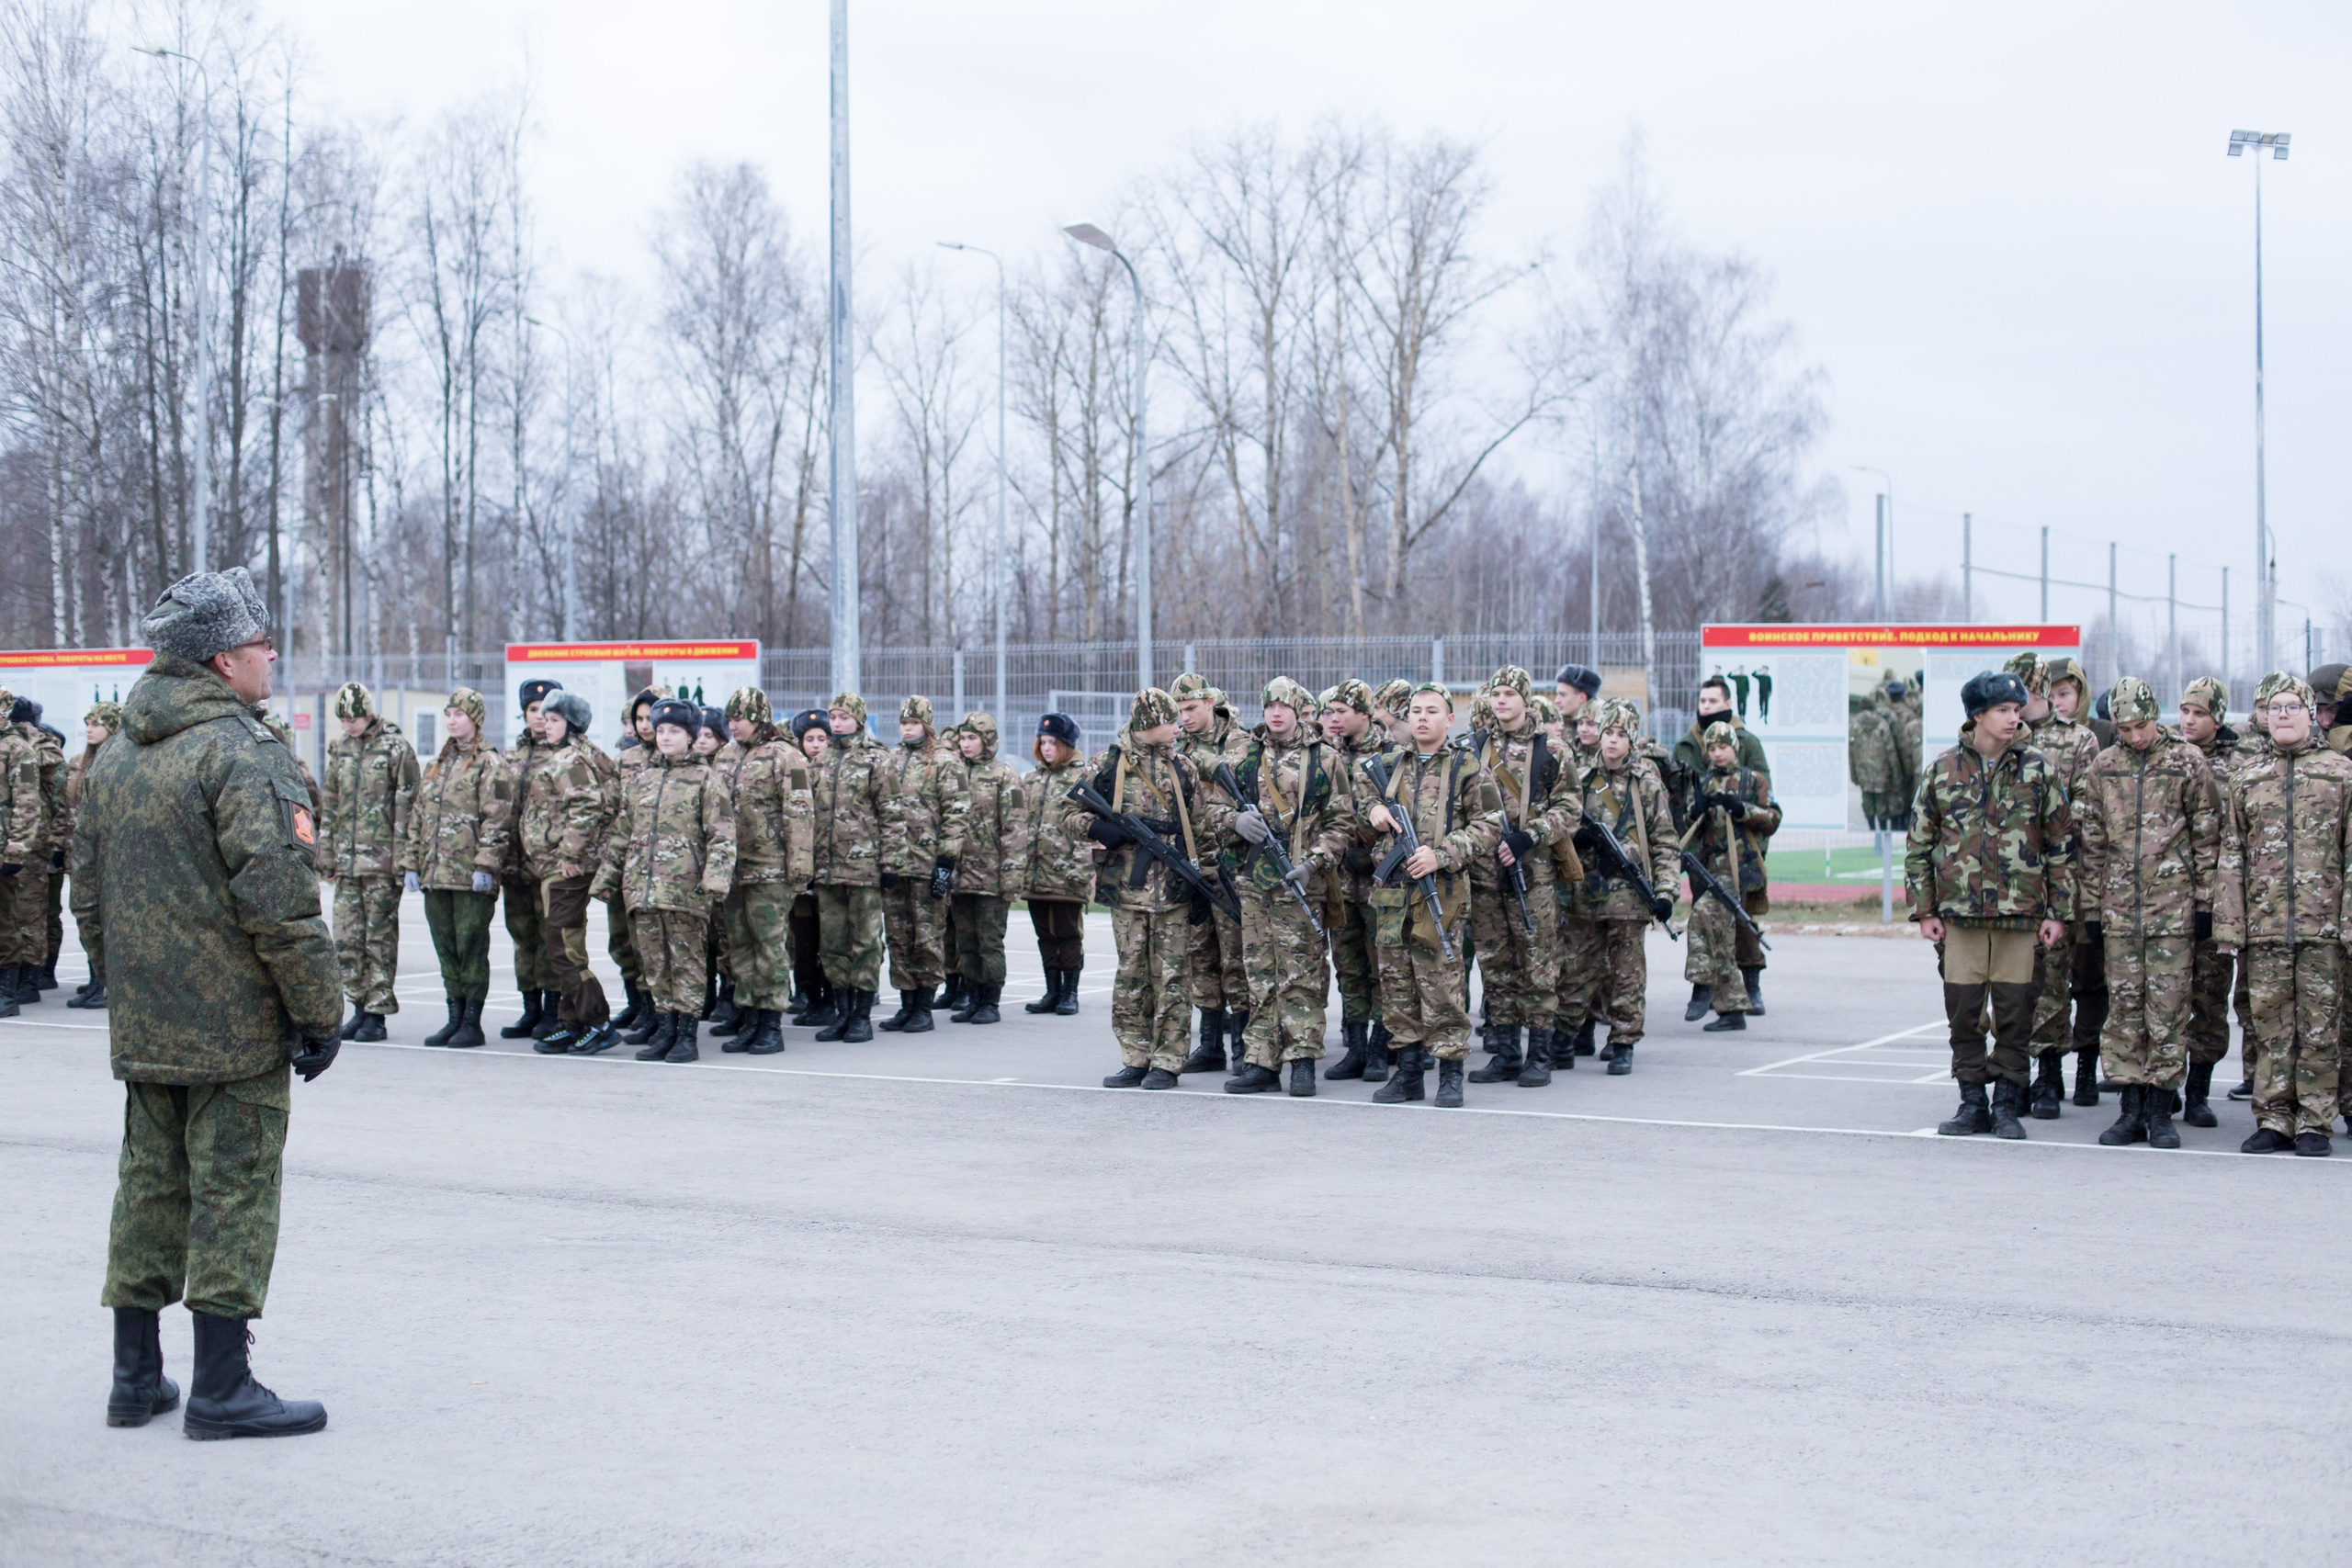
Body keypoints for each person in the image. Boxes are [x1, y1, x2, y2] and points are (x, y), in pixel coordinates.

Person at [75, 567, 342, 1439]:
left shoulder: (116, 752)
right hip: (232, 1030)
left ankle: (134, 1378)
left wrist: (125, 986)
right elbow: (280, 900)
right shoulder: (239, 751)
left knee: (148, 1186)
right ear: (225, 660)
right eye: (264, 643)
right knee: (231, 1189)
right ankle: (223, 1387)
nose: (272, 655)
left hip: (147, 1022)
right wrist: (318, 1010)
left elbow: (86, 891)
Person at [1907, 670, 2075, 1141]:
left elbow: (2061, 845)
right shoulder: (1941, 770)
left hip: (2021, 916)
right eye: (2002, 710)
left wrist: (2058, 912)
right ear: (1977, 715)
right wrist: (1925, 911)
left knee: (2015, 1012)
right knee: (1963, 1013)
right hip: (1959, 916)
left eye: (2017, 710)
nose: (2012, 717)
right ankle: (1972, 1102)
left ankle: (2006, 1104)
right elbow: (1919, 846)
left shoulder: (2038, 768)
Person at [2068, 677, 2219, 1146]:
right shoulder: (2103, 766)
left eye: (2142, 725)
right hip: (2118, 913)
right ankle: (2130, 1110)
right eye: (2125, 727)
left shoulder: (2187, 761)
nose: (2134, 736)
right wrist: (2090, 907)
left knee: (2168, 1011)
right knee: (2124, 1011)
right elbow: (2091, 842)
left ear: (2157, 717)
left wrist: (2204, 904)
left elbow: (2207, 837)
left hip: (2172, 910)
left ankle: (2160, 1111)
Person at [2213, 676, 2352, 1155]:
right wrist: (2229, 924)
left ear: (2311, 712)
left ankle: (2315, 1121)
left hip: (2324, 927)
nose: (2284, 715)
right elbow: (2231, 854)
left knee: (2319, 1027)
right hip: (2266, 925)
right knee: (2271, 1028)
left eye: (2294, 706)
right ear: (2265, 716)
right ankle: (2273, 1118)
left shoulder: (2340, 773)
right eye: (2276, 708)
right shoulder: (2248, 778)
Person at [1073, 688, 1232, 1089]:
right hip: (1126, 891)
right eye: (1169, 721)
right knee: (1131, 978)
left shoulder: (1183, 768)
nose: (1177, 727)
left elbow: (1198, 829)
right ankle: (1135, 1057)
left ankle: (1168, 1061)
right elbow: (1068, 811)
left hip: (1174, 892)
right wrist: (1095, 827)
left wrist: (1204, 881)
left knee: (1173, 979)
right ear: (1147, 725)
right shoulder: (1106, 764)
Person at [1357, 684, 1503, 1107]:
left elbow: (1489, 824)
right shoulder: (1388, 761)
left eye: (1432, 711)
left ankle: (1451, 1073)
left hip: (1441, 890)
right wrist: (1374, 810)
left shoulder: (1466, 766)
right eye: (1416, 711)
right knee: (1396, 982)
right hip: (1392, 893)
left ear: (1448, 719)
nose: (1422, 718)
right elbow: (1359, 795)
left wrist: (1441, 855)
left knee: (1442, 982)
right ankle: (1407, 1073)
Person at [1220, 677, 1351, 1096]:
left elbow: (1341, 822)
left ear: (1298, 709)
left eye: (1284, 705)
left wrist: (1315, 862)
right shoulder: (1242, 756)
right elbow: (1211, 808)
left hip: (1301, 883)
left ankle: (1302, 1059)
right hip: (1254, 883)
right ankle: (1260, 1060)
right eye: (1269, 705)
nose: (1276, 713)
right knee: (1258, 971)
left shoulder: (1325, 759)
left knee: (1304, 973)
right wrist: (1233, 821)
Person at [592, 696, 737, 1064]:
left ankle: (687, 1034)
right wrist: (607, 876)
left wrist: (716, 879)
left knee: (687, 963)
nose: (666, 737)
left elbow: (722, 834)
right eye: (660, 730)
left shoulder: (706, 779)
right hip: (642, 889)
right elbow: (622, 833)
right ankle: (665, 1029)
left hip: (685, 889)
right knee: (654, 964)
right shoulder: (643, 780)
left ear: (690, 736)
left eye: (675, 731)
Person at [1464, 665, 1583, 1086]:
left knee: (1537, 963)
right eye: (1496, 693)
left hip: (1533, 874)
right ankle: (1507, 1052)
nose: (1501, 701)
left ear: (1525, 699)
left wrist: (1530, 837)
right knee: (1496, 965)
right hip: (1485, 873)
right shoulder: (1474, 745)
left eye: (1509, 694)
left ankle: (1540, 1055)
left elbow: (1570, 808)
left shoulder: (1552, 748)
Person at [1562, 700, 1679, 1075]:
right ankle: (1566, 1036)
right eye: (1607, 732)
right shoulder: (1580, 779)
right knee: (1576, 968)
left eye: (1620, 735)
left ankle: (1624, 1040)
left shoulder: (1646, 783)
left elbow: (1664, 841)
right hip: (1586, 894)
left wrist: (1665, 892)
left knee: (1627, 972)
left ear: (1633, 739)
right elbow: (1561, 830)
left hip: (1628, 897)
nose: (1611, 741)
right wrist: (1578, 840)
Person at [401, 688, 513, 1050]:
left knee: (471, 947)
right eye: (448, 714)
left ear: (475, 719)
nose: (451, 721)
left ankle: (472, 1022)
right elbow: (418, 816)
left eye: (458, 715)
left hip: (470, 877)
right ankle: (454, 1017)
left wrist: (486, 864)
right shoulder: (438, 765)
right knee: (445, 947)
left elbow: (497, 818)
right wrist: (412, 863)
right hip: (437, 874)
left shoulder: (489, 763)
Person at [708, 687, 811, 1055]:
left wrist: (799, 867)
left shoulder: (788, 757)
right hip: (734, 868)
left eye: (740, 719)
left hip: (771, 868)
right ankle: (749, 1017)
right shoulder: (726, 755)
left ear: (759, 718)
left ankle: (770, 1024)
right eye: (730, 719)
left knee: (769, 947)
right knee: (739, 946)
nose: (732, 725)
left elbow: (799, 812)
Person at [517, 691, 620, 1055]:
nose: (547, 724)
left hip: (566, 870)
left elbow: (588, 802)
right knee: (561, 944)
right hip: (556, 867)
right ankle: (572, 1021)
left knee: (563, 948)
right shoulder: (574, 754)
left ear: (572, 725)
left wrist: (570, 853)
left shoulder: (571, 759)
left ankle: (597, 1022)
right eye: (545, 718)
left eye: (555, 719)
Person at [318, 682, 419, 1043]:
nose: (349, 725)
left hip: (381, 863)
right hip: (347, 863)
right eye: (344, 719)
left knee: (379, 939)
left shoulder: (395, 749)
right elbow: (330, 804)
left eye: (355, 718)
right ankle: (357, 1005)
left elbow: (408, 807)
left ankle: (377, 1014)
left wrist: (405, 859)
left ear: (369, 713)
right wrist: (325, 852)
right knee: (346, 938)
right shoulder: (340, 750)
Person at [1170, 671, 1251, 1072]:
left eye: (1190, 709)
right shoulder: (1176, 744)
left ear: (1209, 703)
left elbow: (1237, 780)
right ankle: (1210, 1044)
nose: (1184, 717)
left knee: (1235, 953)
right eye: (1178, 711)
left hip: (1229, 864)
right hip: (1190, 863)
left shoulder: (1240, 740)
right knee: (1199, 953)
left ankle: (1242, 1044)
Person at [1317, 680, 1396, 1080]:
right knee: (1349, 965)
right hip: (1338, 878)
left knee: (1383, 963)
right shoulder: (1325, 756)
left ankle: (1382, 1049)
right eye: (1328, 712)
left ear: (1365, 714)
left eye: (1341, 712)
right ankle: (1356, 1046)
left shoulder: (1392, 755)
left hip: (1380, 879)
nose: (1333, 719)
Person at [1682, 720, 1780, 1032]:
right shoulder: (1703, 780)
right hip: (1710, 870)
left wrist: (1742, 810)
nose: (1718, 753)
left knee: (1735, 931)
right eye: (1712, 748)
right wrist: (1696, 809)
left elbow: (1773, 817)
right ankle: (1726, 1003)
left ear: (1734, 748)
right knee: (1716, 934)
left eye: (1723, 747)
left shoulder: (1754, 780)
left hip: (1743, 870)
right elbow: (1689, 818)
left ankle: (1713, 990)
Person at [2172, 675, 2239, 1122]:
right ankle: (2167, 1085)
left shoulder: (2240, 762)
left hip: (2219, 899)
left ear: (2217, 717)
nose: (2190, 720)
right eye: (2185, 712)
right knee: (2169, 995)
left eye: (2200, 713)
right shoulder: (2170, 758)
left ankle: (2199, 1091)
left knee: (2210, 997)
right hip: (2172, 898)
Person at [875, 695, 963, 1033]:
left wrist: (946, 861)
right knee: (898, 935)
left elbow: (957, 813)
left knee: (927, 936)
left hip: (927, 864)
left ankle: (923, 1006)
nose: (907, 729)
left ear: (926, 725)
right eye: (904, 723)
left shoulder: (944, 761)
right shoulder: (891, 760)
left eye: (913, 723)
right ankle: (906, 1003)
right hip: (896, 863)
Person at [808, 692, 889, 1043]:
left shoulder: (877, 759)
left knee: (866, 943)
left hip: (864, 868)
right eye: (833, 717)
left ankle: (861, 1016)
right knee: (832, 944)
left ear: (859, 719)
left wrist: (890, 864)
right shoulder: (819, 761)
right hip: (827, 869)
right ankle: (841, 1012)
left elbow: (893, 813)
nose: (836, 723)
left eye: (843, 717)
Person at [1008, 712, 1093, 1016]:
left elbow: (1089, 829)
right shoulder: (1030, 779)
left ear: (1067, 745)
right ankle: (1052, 991)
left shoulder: (1082, 779)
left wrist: (1081, 870)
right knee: (1044, 934)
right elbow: (1018, 822)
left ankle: (1070, 993)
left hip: (1066, 874)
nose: (1046, 748)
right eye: (1042, 742)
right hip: (1035, 874)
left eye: (1053, 742)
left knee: (1068, 934)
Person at [498, 680, 561, 1041]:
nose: (539, 718)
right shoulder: (512, 755)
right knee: (522, 937)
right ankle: (531, 1009)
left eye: (546, 712)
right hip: (515, 865)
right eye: (533, 710)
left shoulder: (563, 754)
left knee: (551, 936)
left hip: (549, 865)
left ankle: (553, 1011)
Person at [946, 713, 1020, 1025]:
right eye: (962, 738)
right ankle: (973, 997)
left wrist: (1012, 874)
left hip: (991, 875)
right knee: (965, 940)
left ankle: (991, 1000)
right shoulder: (954, 772)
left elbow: (1016, 829)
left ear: (987, 740)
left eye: (972, 738)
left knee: (989, 940)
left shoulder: (1005, 775)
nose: (966, 744)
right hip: (959, 875)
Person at [603, 687, 666, 1032]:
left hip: (661, 868)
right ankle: (636, 1003)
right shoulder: (626, 760)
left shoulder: (675, 759)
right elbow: (614, 811)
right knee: (622, 940)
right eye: (638, 719)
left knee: (650, 945)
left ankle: (657, 1011)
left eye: (650, 717)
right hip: (626, 862)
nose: (644, 725)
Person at [62, 700, 125, 1009]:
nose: (89, 728)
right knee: (85, 914)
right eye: (87, 722)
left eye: (97, 723)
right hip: (82, 852)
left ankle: (105, 981)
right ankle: (94, 979)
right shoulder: (79, 762)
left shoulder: (121, 762)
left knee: (106, 917)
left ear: (113, 727)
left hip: (108, 854)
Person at [11, 695, 66, 1000]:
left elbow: (49, 767)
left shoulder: (43, 745)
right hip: (12, 838)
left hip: (33, 843)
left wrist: (24, 736)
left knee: (33, 913)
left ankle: (31, 979)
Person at [0, 686, 46, 1015]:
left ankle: (7, 992)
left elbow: (28, 803)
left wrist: (15, 851)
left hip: (3, 849)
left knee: (4, 922)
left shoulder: (18, 750)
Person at [786, 711, 832, 1022]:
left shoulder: (835, 770)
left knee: (829, 937)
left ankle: (830, 998)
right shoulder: (795, 771)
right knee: (802, 938)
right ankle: (806, 992)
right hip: (802, 872)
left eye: (821, 738)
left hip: (830, 870)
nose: (815, 745)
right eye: (809, 739)